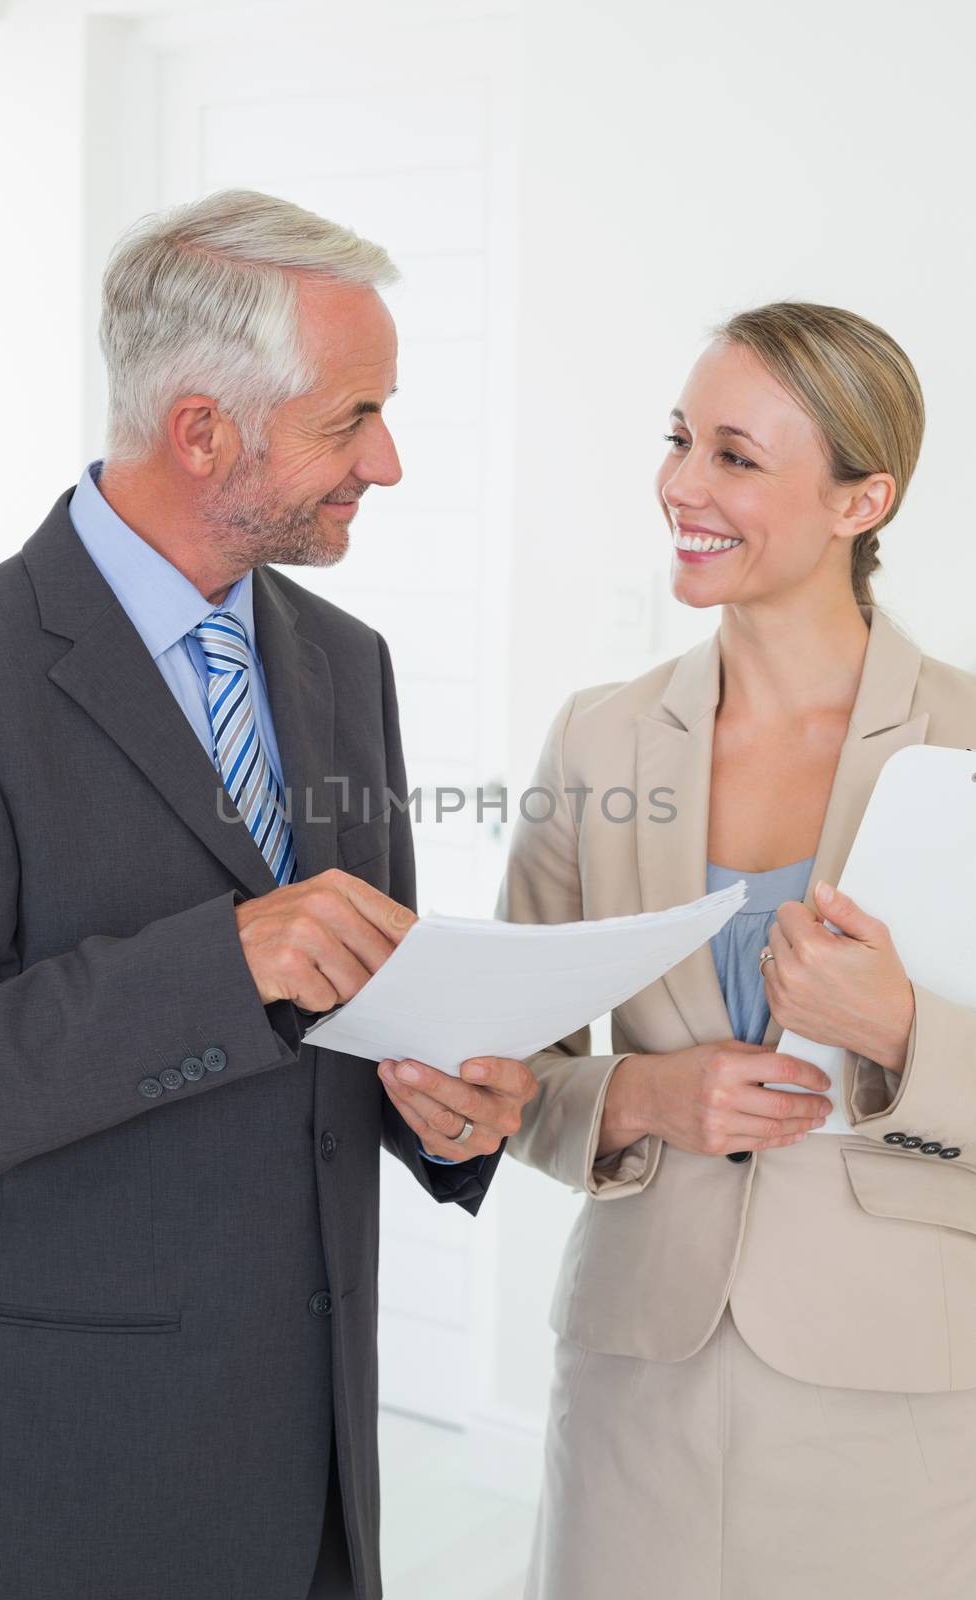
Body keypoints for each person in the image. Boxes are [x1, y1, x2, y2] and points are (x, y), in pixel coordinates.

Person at [0, 189, 535, 1600]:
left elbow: (363, 1002)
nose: (386, 459)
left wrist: (444, 1108)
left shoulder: (346, 659)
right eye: (349, 418)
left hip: (315, 1469)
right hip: (68, 1482)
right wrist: (223, 962)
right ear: (202, 432)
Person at [498, 301, 976, 1599]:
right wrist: (638, 1096)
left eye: (735, 456)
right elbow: (502, 1062)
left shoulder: (970, 741)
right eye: (678, 440)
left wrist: (901, 1036)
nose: (679, 485)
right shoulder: (598, 739)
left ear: (860, 501)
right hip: (632, 1376)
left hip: (898, 1396)